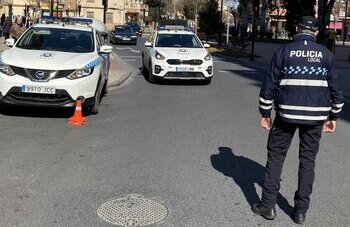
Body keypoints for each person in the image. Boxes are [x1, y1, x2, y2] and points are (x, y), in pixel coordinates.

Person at [253, 16, 343, 225]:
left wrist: (265, 114)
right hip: (315, 118)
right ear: (316, 33)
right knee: (307, 161)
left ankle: (268, 206)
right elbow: (336, 91)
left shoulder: (283, 52)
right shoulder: (326, 55)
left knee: (276, 157)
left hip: (285, 115)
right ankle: (300, 212)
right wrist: (333, 117)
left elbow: (269, 86)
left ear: (296, 29)